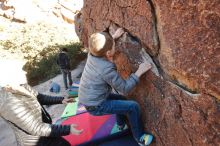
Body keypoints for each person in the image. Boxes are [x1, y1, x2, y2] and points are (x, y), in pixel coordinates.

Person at [78, 28, 153, 146]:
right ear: (108, 53)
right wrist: (139, 72)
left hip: (90, 97)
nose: (114, 46)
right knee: (133, 106)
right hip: (96, 105)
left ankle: (120, 124)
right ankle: (140, 138)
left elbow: (100, 47)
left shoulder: (92, 53)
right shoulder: (106, 69)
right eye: (113, 46)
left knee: (121, 100)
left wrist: (113, 37)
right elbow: (125, 88)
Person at [0, 59, 83, 146]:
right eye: (19, 71)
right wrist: (68, 129)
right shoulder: (8, 102)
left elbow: (39, 97)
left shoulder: (21, 86)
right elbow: (35, 127)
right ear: (9, 77)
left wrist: (61, 100)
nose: (24, 72)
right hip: (35, 141)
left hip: (45, 131)